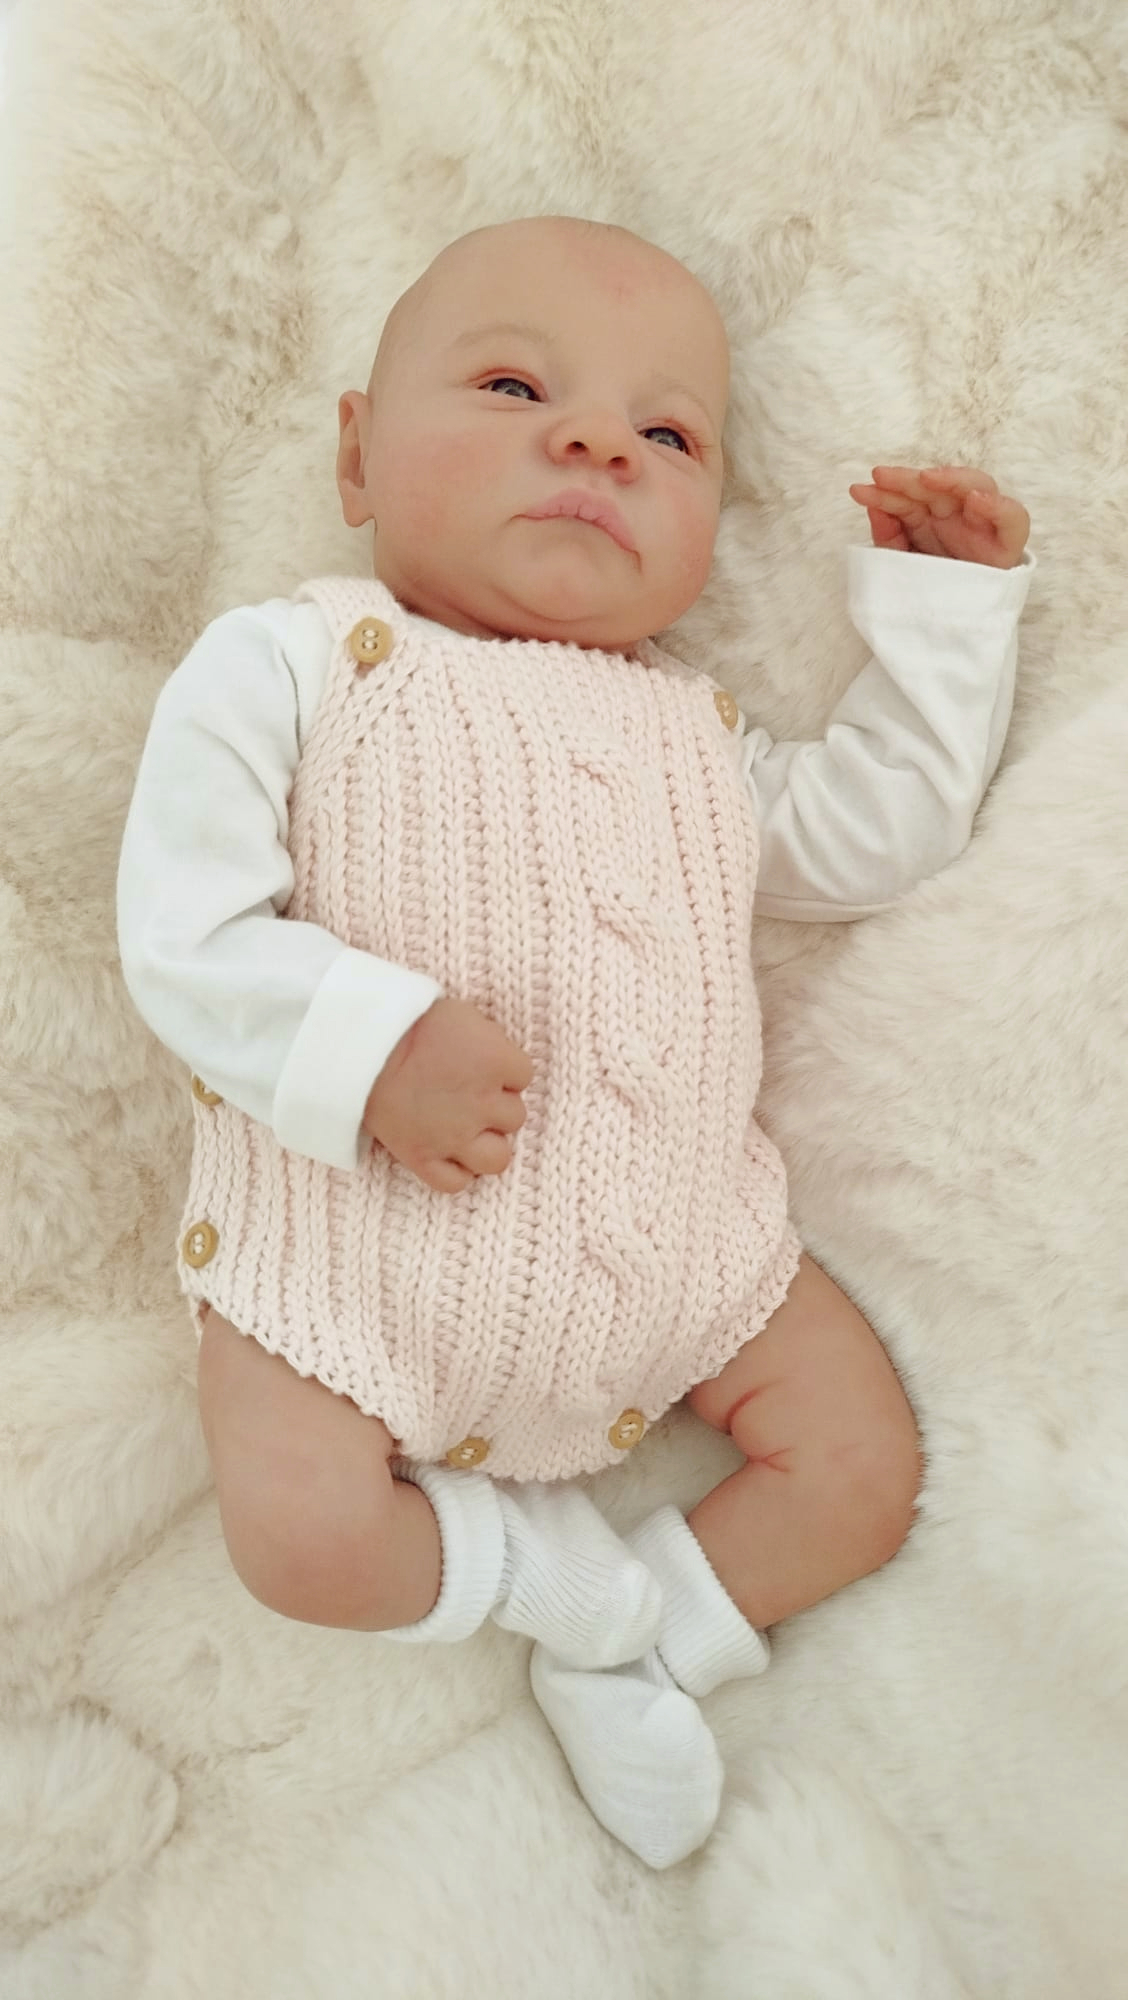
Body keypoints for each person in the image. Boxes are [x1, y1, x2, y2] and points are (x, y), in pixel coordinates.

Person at [117, 215, 1033, 1869]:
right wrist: (375, 1048)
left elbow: (877, 834)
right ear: (356, 456)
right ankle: (555, 1586)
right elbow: (183, 926)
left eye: (668, 435)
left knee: (861, 1472)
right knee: (301, 1542)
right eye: (514, 387)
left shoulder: (698, 737)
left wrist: (947, 619)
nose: (600, 443)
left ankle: (649, 1644)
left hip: (685, 1261)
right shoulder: (296, 661)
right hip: (349, 1263)